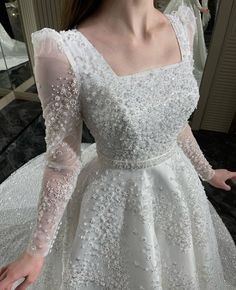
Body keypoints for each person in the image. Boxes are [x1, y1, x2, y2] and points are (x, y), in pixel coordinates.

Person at [0, 0, 236, 289]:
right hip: (116, 200)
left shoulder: (183, 26)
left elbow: (174, 122)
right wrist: (35, 252)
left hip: (178, 188)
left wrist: (207, 172)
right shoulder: (63, 53)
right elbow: (63, 163)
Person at [164, 0, 211, 87]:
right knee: (187, 30)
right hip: (185, 7)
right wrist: (200, 8)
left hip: (179, 5)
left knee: (180, 28)